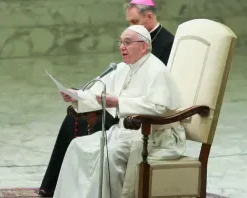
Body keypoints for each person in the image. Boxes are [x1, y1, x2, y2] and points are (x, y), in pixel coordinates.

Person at [37, 0, 175, 196]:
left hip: (149, 133)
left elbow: (159, 107)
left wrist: (118, 102)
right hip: (123, 129)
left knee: (106, 154)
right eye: (121, 42)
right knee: (77, 146)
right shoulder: (122, 67)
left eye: (127, 43)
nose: (121, 47)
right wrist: (77, 97)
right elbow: (101, 92)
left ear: (144, 47)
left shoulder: (157, 69)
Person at [126, 0, 175, 65]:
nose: (131, 27)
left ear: (149, 16)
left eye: (135, 22)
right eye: (129, 22)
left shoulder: (169, 43)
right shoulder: (135, 39)